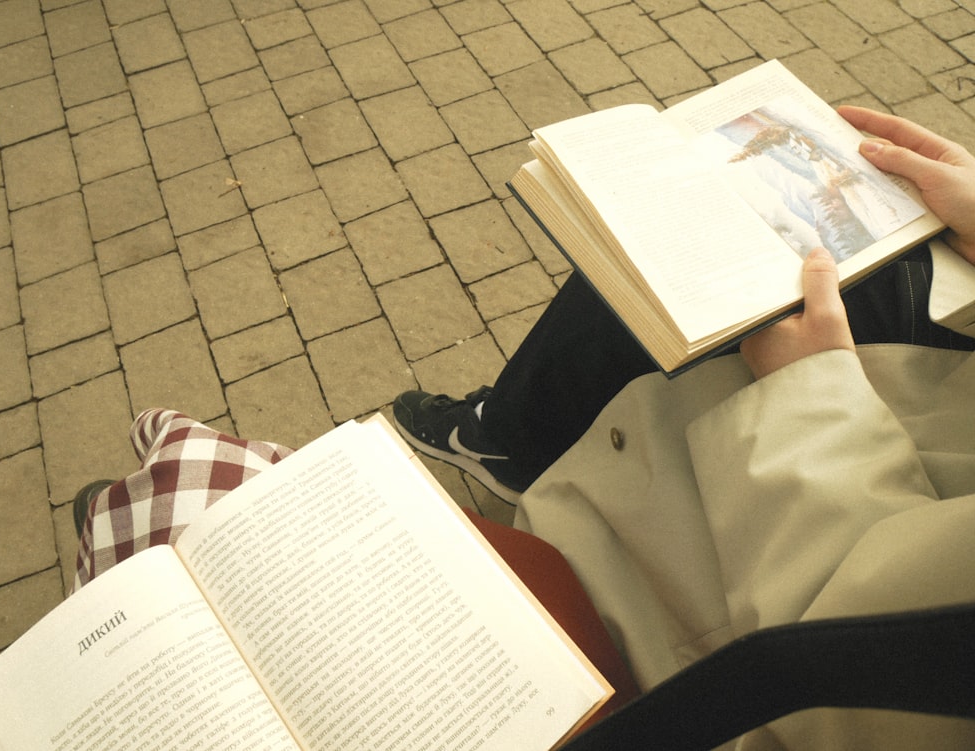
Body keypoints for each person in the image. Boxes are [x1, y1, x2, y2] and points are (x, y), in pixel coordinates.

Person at [392, 107, 975, 747]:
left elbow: (861, 668)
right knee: (675, 233)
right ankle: (512, 438)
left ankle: (508, 440)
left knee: (683, 270)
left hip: (743, 639)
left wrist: (806, 392)